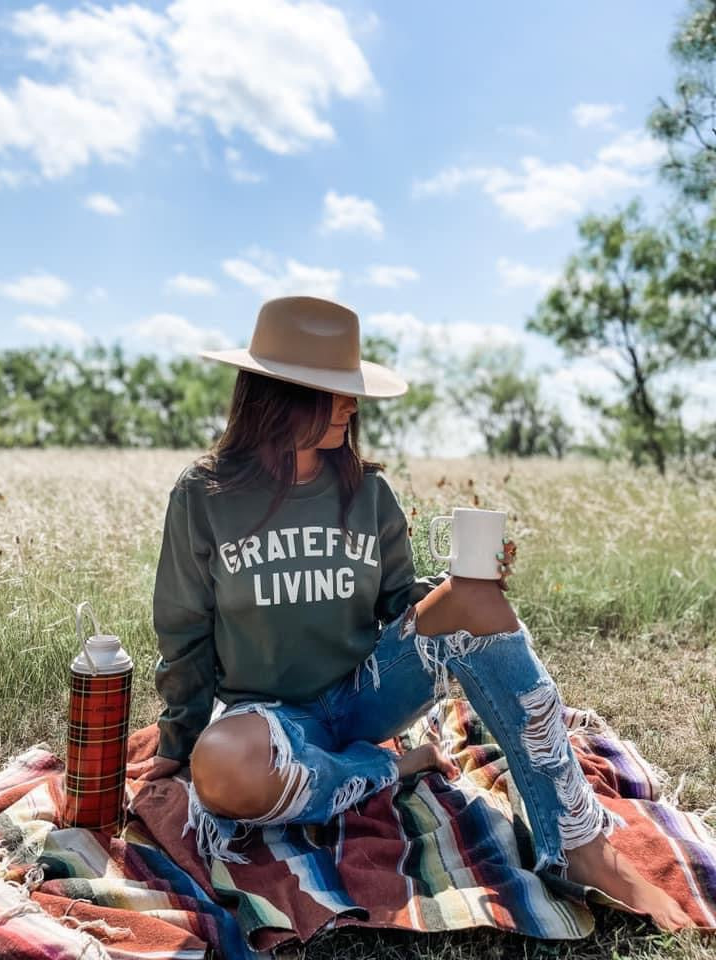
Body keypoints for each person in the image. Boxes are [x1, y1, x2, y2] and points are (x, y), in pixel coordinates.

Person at [142, 295, 692, 932]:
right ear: (283, 395)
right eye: (335, 391)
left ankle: (575, 842)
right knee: (218, 769)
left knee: (475, 599)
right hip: (271, 721)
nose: (353, 405)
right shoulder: (204, 495)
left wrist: (464, 590)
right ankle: (393, 767)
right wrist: (180, 739)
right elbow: (183, 628)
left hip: (364, 696)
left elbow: (402, 606)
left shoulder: (367, 491)